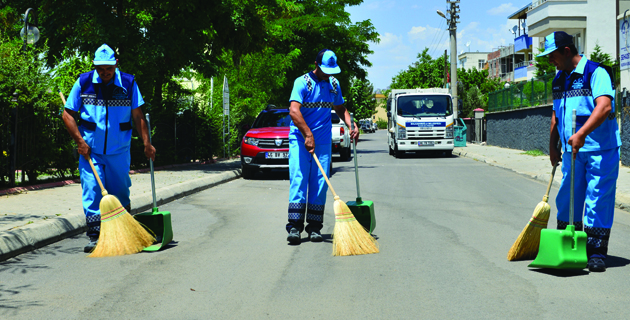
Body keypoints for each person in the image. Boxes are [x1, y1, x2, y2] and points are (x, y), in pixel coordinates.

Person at [62, 44, 156, 253]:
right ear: (95, 66)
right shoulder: (84, 82)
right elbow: (67, 115)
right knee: (93, 191)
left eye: (108, 69)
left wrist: (147, 143)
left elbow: (138, 115)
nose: (105, 73)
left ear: (116, 65)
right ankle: (95, 236)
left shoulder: (128, 84)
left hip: (119, 150)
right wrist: (80, 141)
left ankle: (124, 231)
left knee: (120, 191)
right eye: (100, 69)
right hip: (90, 151)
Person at [540, 31, 620, 272]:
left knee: (597, 199)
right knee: (567, 198)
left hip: (600, 149)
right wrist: (553, 144)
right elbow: (556, 114)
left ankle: (596, 251)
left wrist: (582, 133)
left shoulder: (596, 73)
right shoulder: (559, 79)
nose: (549, 61)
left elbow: (604, 106)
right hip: (571, 151)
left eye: (551, 56)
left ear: (566, 51)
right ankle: (569, 245)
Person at [286, 49, 359, 244]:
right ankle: (294, 227)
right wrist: (307, 134)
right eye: (326, 69)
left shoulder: (334, 84)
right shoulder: (302, 82)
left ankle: (314, 227)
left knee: (320, 183)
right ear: (316, 65)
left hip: (323, 141)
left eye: (332, 70)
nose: (329, 74)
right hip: (300, 139)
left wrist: (351, 125)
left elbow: (340, 108)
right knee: (300, 179)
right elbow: (294, 111)